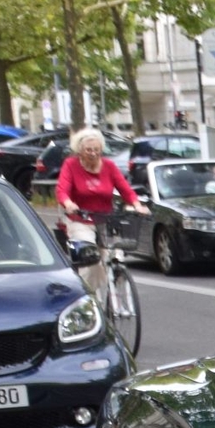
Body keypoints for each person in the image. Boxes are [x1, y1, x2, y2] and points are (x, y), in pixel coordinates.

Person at [53, 127, 144, 301]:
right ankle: (89, 299)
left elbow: (125, 189)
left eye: (96, 150)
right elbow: (62, 189)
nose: (93, 154)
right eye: (88, 150)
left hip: (105, 219)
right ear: (80, 150)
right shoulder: (71, 165)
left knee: (114, 255)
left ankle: (113, 285)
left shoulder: (109, 166)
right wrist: (68, 203)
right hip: (80, 219)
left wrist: (136, 204)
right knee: (91, 260)